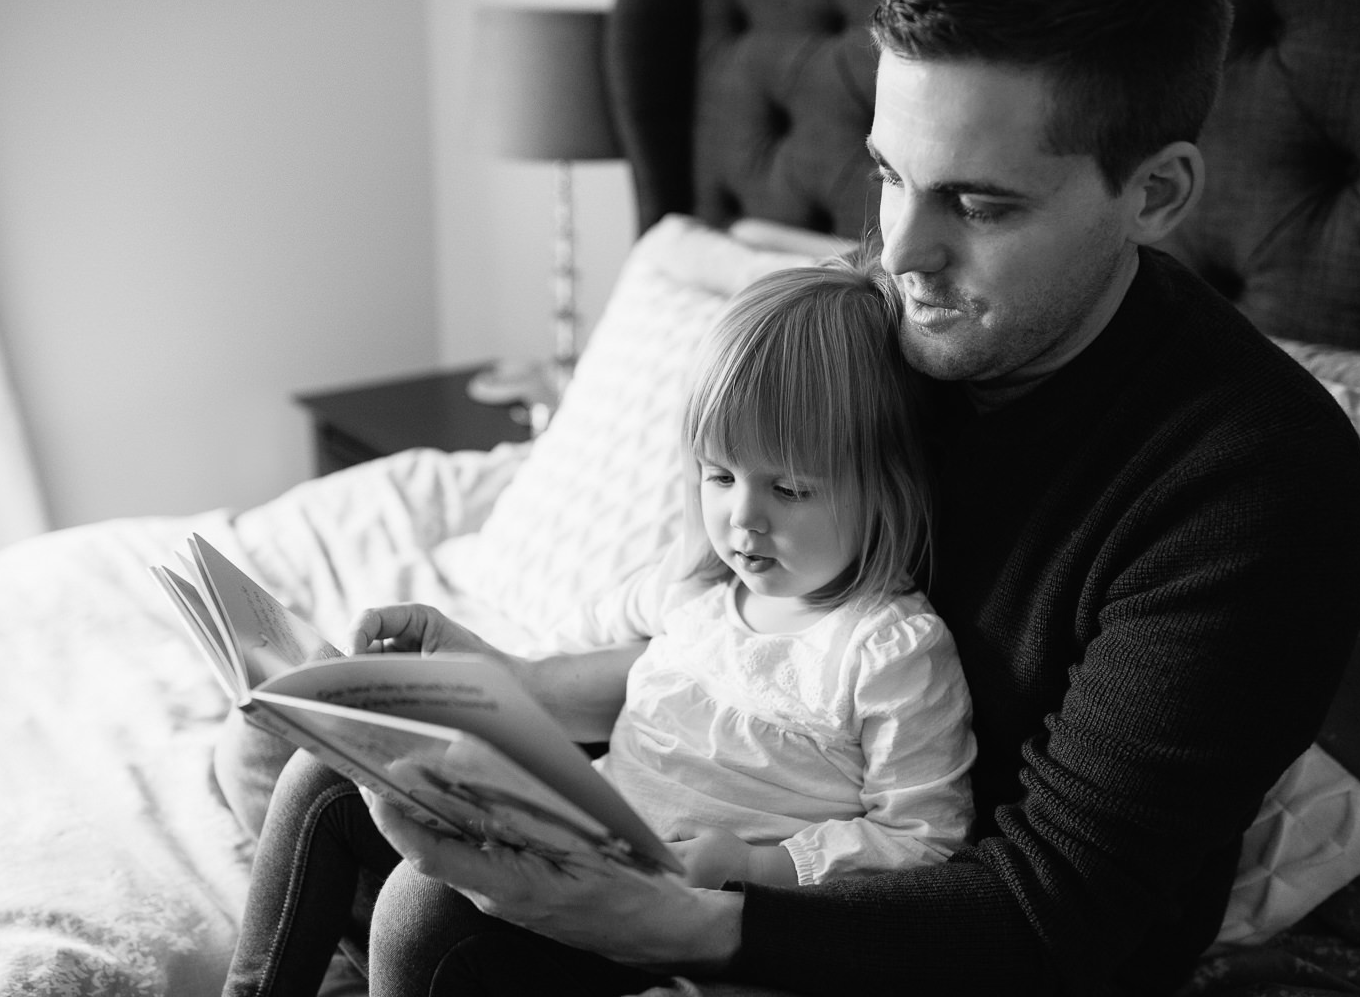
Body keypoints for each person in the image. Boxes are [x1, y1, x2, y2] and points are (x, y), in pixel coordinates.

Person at [355, 0, 1360, 995]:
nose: (898, 254)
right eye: (890, 176)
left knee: (431, 922)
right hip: (750, 803)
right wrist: (521, 689)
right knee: (348, 779)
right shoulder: (880, 331)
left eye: (980, 204)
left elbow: (1047, 912)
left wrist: (672, 923)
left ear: (1154, 193)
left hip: (966, 930)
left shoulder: (1257, 483)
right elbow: (740, 641)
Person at [219, 251, 978, 996]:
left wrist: (757, 867)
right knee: (324, 780)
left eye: (787, 488)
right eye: (718, 476)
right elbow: (564, 645)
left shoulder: (887, 650)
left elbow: (923, 843)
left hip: (665, 923)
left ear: (886, 485)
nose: (742, 520)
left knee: (423, 915)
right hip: (568, 840)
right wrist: (450, 674)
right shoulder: (695, 590)